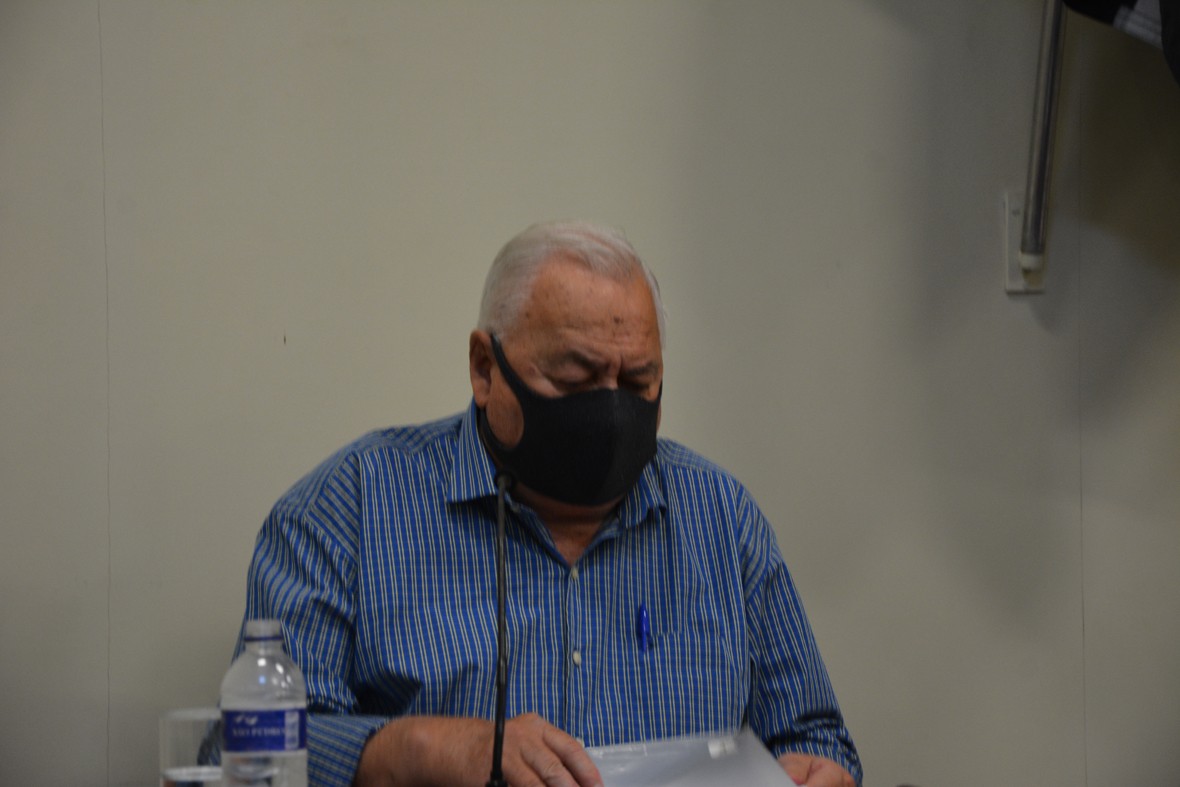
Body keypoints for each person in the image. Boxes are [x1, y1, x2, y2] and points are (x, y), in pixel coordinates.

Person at [236, 220, 862, 787]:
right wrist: (414, 748)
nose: (611, 411)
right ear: (485, 368)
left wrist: (816, 770)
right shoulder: (346, 509)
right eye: (574, 379)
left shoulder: (721, 517)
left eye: (638, 381)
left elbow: (815, 737)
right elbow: (249, 750)